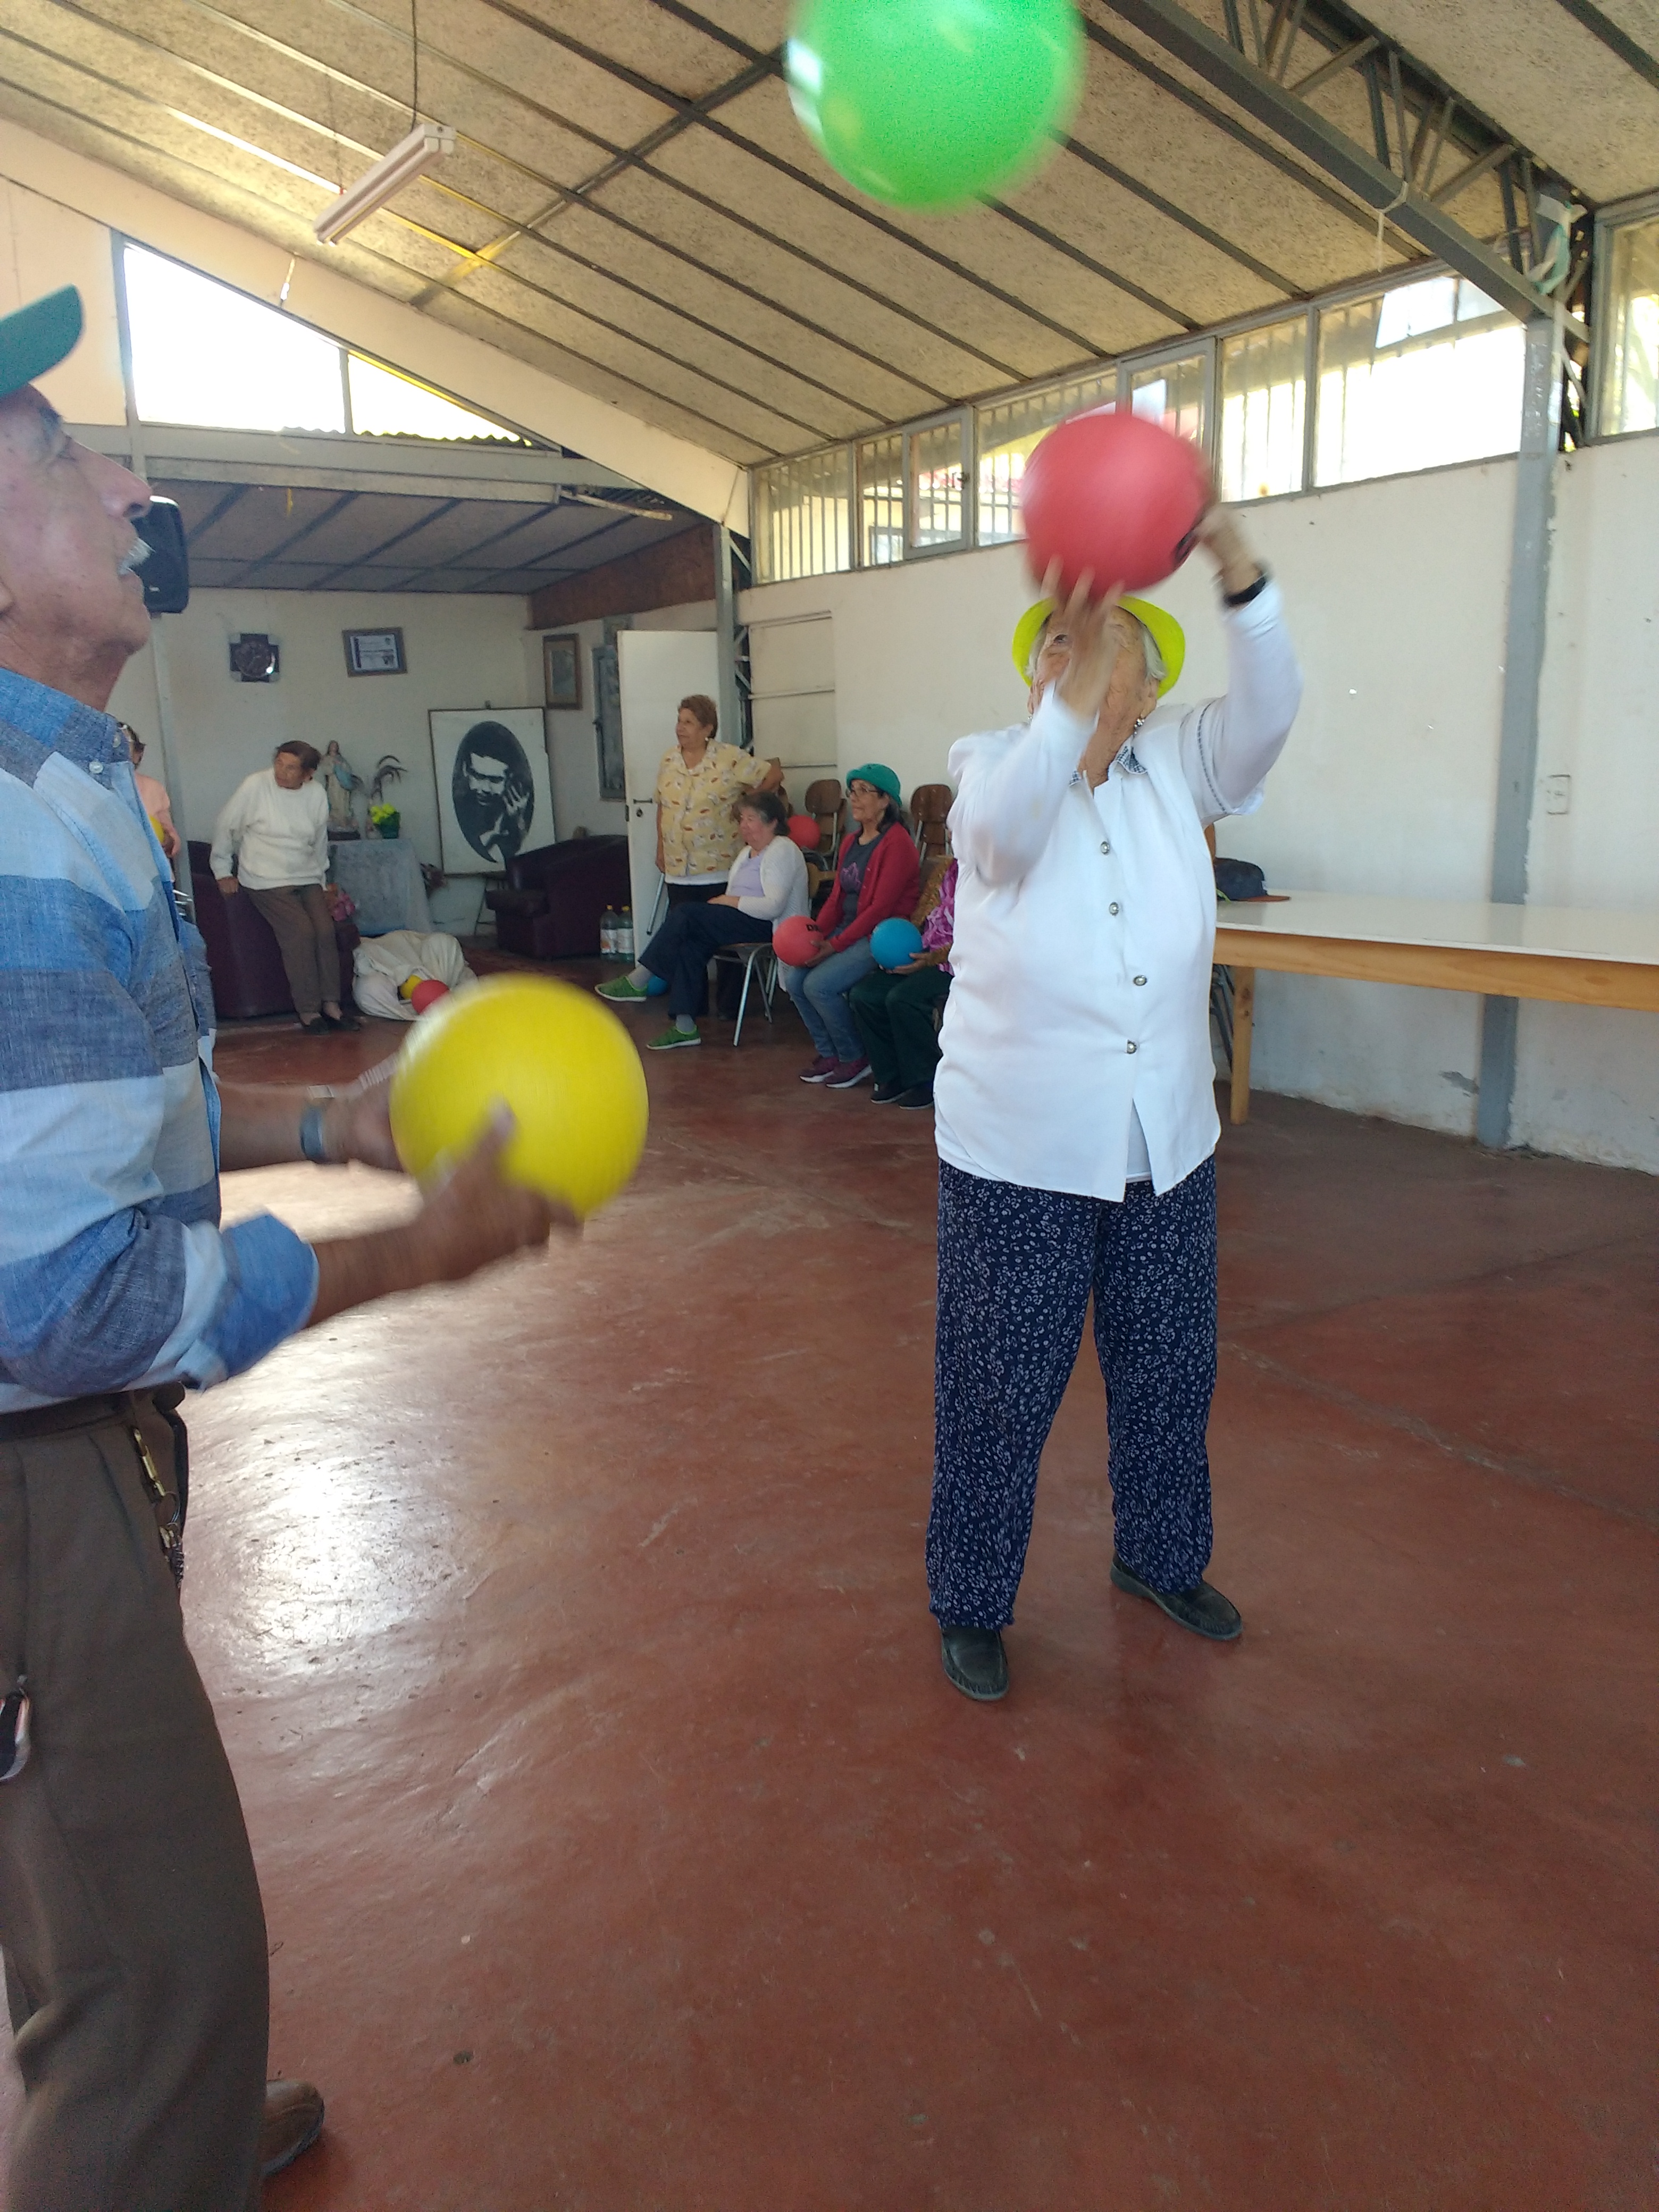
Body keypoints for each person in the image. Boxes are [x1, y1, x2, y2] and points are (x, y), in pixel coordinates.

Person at [0, 283, 559, 2210]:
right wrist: (422, 1251)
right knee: (161, 1969)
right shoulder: (12, 822)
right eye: (63, 456)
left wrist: (325, 1126)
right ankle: (142, 2116)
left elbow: (110, 1113)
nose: (131, 489)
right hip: (29, 1481)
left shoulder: (73, 776)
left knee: (87, 1901)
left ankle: (147, 2102)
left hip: (70, 1468)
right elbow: (65, 1302)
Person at [926, 501, 1302, 1702]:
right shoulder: (991, 766)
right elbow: (999, 833)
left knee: (1169, 1373)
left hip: (1165, 1144)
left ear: (1149, 693)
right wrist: (1070, 689)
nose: (1090, 663)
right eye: (1067, 646)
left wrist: (1233, 563)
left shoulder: (1175, 768)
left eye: (1115, 653)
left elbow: (1269, 713)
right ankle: (970, 1598)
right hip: (1020, 1151)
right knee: (998, 1392)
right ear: (1038, 677)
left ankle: (1159, 1558)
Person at [597, 789, 808, 1050]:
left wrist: (728, 901)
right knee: (692, 942)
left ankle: (640, 978)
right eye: (742, 819)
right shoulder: (746, 853)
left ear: (772, 822)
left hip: (769, 926)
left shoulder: (783, 849)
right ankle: (685, 1026)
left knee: (685, 913)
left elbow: (774, 907)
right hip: (742, 919)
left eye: (751, 819)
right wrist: (728, 904)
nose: (743, 825)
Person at [780, 764, 919, 1089]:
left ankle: (854, 1056)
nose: (854, 798)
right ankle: (829, 1053)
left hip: (878, 935)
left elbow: (879, 909)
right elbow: (836, 898)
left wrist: (835, 945)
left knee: (819, 986)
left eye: (863, 791)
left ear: (885, 800)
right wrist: (814, 935)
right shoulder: (851, 842)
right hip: (847, 929)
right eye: (852, 791)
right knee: (795, 979)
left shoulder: (897, 843)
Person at [210, 741, 359, 1033]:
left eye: (291, 768)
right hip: (265, 878)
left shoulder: (316, 793)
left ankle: (332, 1006)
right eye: (279, 763)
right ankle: (308, 1011)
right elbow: (225, 826)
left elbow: (319, 841)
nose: (281, 771)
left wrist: (322, 883)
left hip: (307, 876)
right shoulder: (255, 785)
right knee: (301, 933)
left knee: (325, 932)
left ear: (308, 774)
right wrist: (222, 871)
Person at [653, 692, 782, 908]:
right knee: (681, 923)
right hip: (678, 869)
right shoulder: (669, 759)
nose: (680, 728)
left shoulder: (728, 757)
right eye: (679, 721)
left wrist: (747, 805)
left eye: (688, 723)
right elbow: (662, 805)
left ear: (707, 729)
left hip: (717, 868)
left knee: (714, 924)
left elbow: (774, 775)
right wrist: (660, 847)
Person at [850, 856, 956, 1108]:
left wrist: (931, 959)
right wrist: (895, 951)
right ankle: (891, 1076)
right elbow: (921, 917)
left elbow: (980, 938)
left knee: (903, 999)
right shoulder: (945, 868)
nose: (953, 838)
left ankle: (925, 1080)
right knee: (865, 994)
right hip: (924, 950)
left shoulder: (991, 877)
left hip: (956, 963)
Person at [119, 722, 178, 859]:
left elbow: (170, 833)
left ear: (137, 754)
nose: (118, 753)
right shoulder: (90, 787)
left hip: (150, 863)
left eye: (125, 745)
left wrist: (169, 841)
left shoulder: (153, 787)